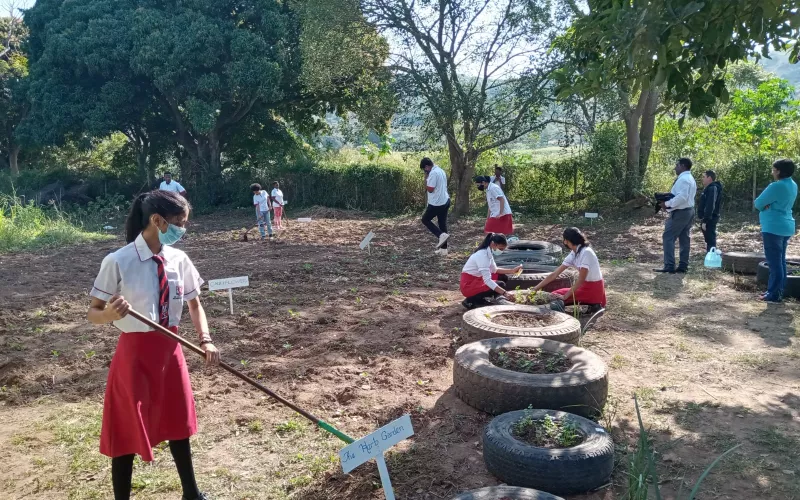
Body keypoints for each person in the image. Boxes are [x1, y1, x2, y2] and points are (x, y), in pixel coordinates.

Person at [87, 190, 219, 500]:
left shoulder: (178, 259)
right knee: (127, 429)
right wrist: (108, 314)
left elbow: (194, 305)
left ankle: (192, 493)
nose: (183, 230)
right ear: (157, 221)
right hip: (134, 355)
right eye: (179, 223)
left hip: (170, 351)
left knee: (178, 424)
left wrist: (206, 340)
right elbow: (93, 312)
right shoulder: (118, 261)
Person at [755, 159, 798, 303]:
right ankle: (776, 291)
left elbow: (758, 203)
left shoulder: (776, 186)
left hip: (773, 226)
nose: (772, 172)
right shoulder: (793, 185)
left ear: (779, 171)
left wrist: (767, 206)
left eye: (774, 170)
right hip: (786, 225)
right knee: (780, 261)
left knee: (774, 263)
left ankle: (773, 295)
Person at [532, 227, 606, 309]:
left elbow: (581, 279)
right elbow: (555, 274)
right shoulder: (574, 253)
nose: (564, 242)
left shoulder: (586, 252)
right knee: (554, 294)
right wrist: (535, 288)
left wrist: (565, 296)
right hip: (584, 286)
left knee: (555, 297)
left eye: (564, 240)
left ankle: (594, 303)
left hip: (593, 289)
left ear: (566, 240)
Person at [654, 158, 697, 274]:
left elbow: (681, 197)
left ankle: (669, 265)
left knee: (668, 237)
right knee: (684, 238)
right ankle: (683, 266)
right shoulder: (690, 178)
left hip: (680, 212)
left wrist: (667, 204)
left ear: (682, 166)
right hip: (688, 211)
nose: (675, 168)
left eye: (677, 165)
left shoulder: (684, 179)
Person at [460, 233, 523, 309]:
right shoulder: (482, 256)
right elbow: (488, 281)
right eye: (500, 249)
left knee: (503, 277)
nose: (501, 251)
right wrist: (505, 293)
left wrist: (512, 271)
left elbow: (495, 270)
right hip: (468, 285)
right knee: (501, 284)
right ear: (493, 244)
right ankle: (471, 300)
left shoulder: (488, 252)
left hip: (477, 279)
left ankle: (483, 298)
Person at [420, 157, 450, 256]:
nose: (425, 171)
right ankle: (444, 250)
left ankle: (440, 235)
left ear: (427, 166)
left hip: (436, 203)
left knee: (425, 219)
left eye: (424, 169)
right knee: (442, 224)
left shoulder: (433, 173)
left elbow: (430, 189)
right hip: (445, 200)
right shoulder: (440, 170)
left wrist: (425, 180)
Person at [698, 170, 723, 252]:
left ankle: (712, 255)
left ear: (709, 178)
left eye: (704, 177)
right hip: (707, 218)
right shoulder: (708, 188)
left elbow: (710, 205)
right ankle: (710, 253)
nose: (702, 179)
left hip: (710, 218)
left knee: (711, 238)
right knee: (708, 238)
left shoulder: (713, 188)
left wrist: (705, 220)